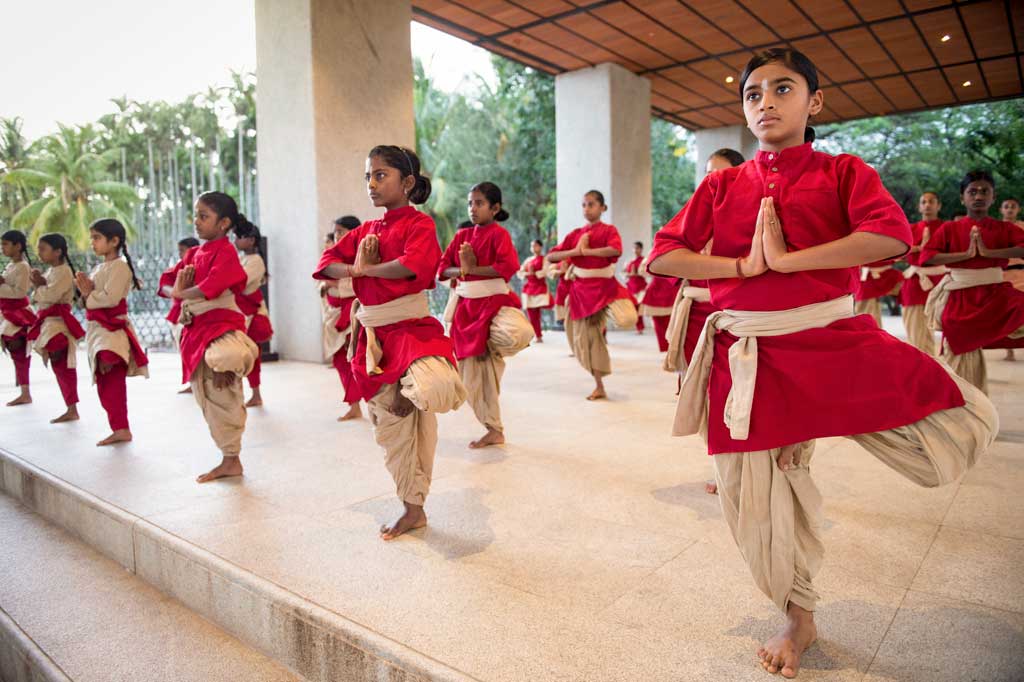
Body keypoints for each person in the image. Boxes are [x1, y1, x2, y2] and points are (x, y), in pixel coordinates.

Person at [648, 48, 997, 679]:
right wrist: (743, 267)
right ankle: (798, 614)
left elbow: (891, 237)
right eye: (753, 94)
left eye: (783, 90)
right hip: (746, 353)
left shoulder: (843, 171)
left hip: (827, 338)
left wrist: (788, 261)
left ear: (815, 102)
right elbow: (666, 256)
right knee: (751, 496)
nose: (765, 104)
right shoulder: (721, 184)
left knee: (959, 420)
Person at [313, 145, 466, 540]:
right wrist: (355, 268)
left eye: (381, 175)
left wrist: (365, 269)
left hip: (410, 329)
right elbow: (326, 263)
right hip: (374, 335)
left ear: (408, 182)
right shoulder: (366, 230)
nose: (372, 183)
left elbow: (412, 266)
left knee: (418, 409)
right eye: (368, 176)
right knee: (389, 425)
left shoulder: (420, 226)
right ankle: (412, 505)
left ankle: (413, 508)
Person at [663, 148, 745, 496]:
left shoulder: (750, 215)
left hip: (733, 317)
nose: (710, 181)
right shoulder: (696, 214)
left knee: (732, 392)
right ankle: (721, 462)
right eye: (707, 173)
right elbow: (669, 254)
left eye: (719, 174)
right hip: (695, 314)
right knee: (705, 394)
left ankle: (737, 466)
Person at [167, 192, 261, 483]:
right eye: (196, 215)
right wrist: (179, 289)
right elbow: (171, 279)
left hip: (220, 325)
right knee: (206, 394)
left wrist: (183, 291)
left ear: (223, 223)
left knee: (224, 389)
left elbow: (216, 284)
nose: (196, 221)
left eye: (203, 216)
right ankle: (228, 457)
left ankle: (231, 458)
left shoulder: (227, 252)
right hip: (197, 331)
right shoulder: (194, 253)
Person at [439, 182, 533, 449]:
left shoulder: (499, 235)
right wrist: (464, 271)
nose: (473, 208)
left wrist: (473, 267)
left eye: (479, 203)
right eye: (470, 203)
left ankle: (494, 427)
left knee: (517, 334)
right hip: (466, 311)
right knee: (474, 378)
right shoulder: (461, 236)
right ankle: (494, 429)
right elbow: (443, 269)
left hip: (493, 304)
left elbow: (508, 267)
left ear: (495, 208)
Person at [921, 170, 1024, 390]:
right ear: (963, 197)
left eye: (985, 191)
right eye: (972, 191)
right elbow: (927, 256)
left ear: (993, 197)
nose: (978, 196)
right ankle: (966, 413)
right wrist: (966, 255)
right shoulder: (950, 228)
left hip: (995, 294)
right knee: (960, 360)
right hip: (960, 299)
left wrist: (990, 253)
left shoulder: (1004, 228)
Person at [547, 190, 638, 400]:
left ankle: (605, 322)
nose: (587, 208)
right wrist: (576, 252)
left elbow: (615, 251)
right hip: (581, 293)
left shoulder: (608, 230)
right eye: (584, 205)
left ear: (602, 208)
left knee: (628, 318)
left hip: (606, 287)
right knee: (587, 342)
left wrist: (588, 252)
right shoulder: (575, 234)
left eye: (591, 204)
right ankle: (599, 386)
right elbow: (552, 255)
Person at [75, 220, 149, 446]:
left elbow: (110, 299)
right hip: (98, 331)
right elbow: (90, 299)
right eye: (92, 238)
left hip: (111, 331)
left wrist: (88, 293)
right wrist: (84, 292)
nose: (93, 243)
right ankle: (118, 427)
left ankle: (122, 429)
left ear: (114, 241)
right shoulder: (100, 267)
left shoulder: (120, 267)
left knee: (113, 382)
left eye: (97, 237)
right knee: (105, 385)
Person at [27, 234, 85, 423]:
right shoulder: (52, 271)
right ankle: (70, 407)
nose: (39, 252)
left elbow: (51, 295)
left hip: (58, 322)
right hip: (48, 322)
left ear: (58, 251)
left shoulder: (64, 271)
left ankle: (72, 408)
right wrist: (39, 283)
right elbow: (43, 293)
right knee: (59, 365)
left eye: (43, 248)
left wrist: (38, 286)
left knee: (63, 362)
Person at [321, 215, 363, 421]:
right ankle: (354, 405)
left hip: (355, 312)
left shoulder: (362, 255)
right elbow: (321, 278)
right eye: (335, 232)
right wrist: (327, 285)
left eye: (341, 231)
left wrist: (336, 285)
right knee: (340, 360)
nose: (337, 236)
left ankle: (375, 405)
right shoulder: (332, 255)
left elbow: (361, 282)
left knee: (360, 358)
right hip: (334, 312)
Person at [899, 192, 946, 355]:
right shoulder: (910, 228)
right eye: (923, 202)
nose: (927, 205)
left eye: (931, 201)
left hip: (940, 284)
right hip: (914, 284)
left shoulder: (946, 228)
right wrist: (919, 248)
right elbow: (899, 253)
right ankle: (923, 370)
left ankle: (933, 371)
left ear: (938, 205)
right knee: (915, 334)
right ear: (919, 207)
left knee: (939, 337)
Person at [233, 221, 273, 407]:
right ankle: (244, 392)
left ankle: (256, 393)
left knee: (250, 355)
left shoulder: (255, 261)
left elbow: (239, 282)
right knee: (241, 355)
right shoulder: (243, 259)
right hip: (241, 311)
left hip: (251, 313)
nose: (235, 241)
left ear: (250, 240)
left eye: (238, 237)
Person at [158, 236, 200, 393]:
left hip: (192, 313)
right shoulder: (180, 267)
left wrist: (179, 292)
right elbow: (164, 285)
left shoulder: (200, 265)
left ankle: (196, 381)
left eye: (182, 251)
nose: (180, 254)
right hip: (178, 313)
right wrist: (176, 292)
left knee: (191, 348)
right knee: (183, 349)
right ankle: (191, 381)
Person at [0, 230, 37, 406]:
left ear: (18, 246)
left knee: (19, 350)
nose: (2, 248)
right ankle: (24, 391)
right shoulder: (11, 265)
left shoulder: (23, 266)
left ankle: (25, 392)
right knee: (16, 352)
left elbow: (19, 292)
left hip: (18, 313)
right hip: (7, 312)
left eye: (6, 244)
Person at [998, 197, 1024, 359]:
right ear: (1001, 210)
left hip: (1021, 273)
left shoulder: (1022, 227)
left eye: (1013, 207)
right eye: (1006, 206)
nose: (1009, 209)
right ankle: (1009, 350)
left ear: (1018, 209)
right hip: (1002, 275)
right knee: (1005, 313)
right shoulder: (994, 228)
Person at [518, 239, 553, 343]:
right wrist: (527, 274)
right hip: (529, 287)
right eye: (532, 246)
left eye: (536, 246)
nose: (534, 248)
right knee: (531, 312)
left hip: (540, 286)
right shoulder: (528, 260)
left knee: (537, 312)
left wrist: (536, 273)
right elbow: (520, 271)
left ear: (540, 247)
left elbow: (546, 271)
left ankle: (538, 335)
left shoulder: (544, 259)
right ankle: (537, 334)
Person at [624, 241, 647, 334]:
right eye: (634, 248)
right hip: (631, 287)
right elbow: (625, 273)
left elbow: (646, 273)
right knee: (633, 308)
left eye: (637, 248)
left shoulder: (644, 260)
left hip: (640, 287)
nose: (635, 250)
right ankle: (638, 326)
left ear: (641, 249)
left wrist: (636, 274)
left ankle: (640, 327)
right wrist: (629, 274)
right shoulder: (629, 261)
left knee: (639, 308)